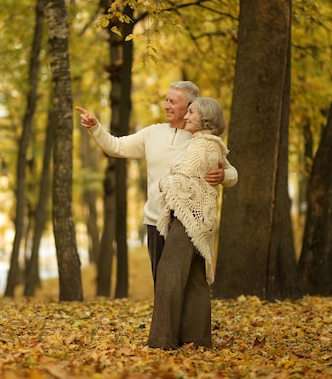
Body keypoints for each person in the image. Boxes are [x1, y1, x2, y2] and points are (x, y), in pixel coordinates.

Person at [75, 81, 237, 282]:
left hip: (185, 224)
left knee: (186, 284)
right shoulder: (152, 133)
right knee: (161, 284)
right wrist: (95, 127)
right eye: (166, 100)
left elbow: (231, 172)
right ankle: (165, 316)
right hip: (154, 222)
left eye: (173, 101)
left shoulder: (201, 140)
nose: (166, 105)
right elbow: (116, 147)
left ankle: (189, 315)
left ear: (188, 107)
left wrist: (223, 176)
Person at [147, 97, 237, 350]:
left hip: (189, 219)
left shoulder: (202, 147)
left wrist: (164, 183)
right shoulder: (207, 144)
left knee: (169, 274)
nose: (185, 116)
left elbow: (183, 178)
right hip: (198, 218)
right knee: (196, 278)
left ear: (204, 118)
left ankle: (162, 341)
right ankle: (197, 340)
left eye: (191, 113)